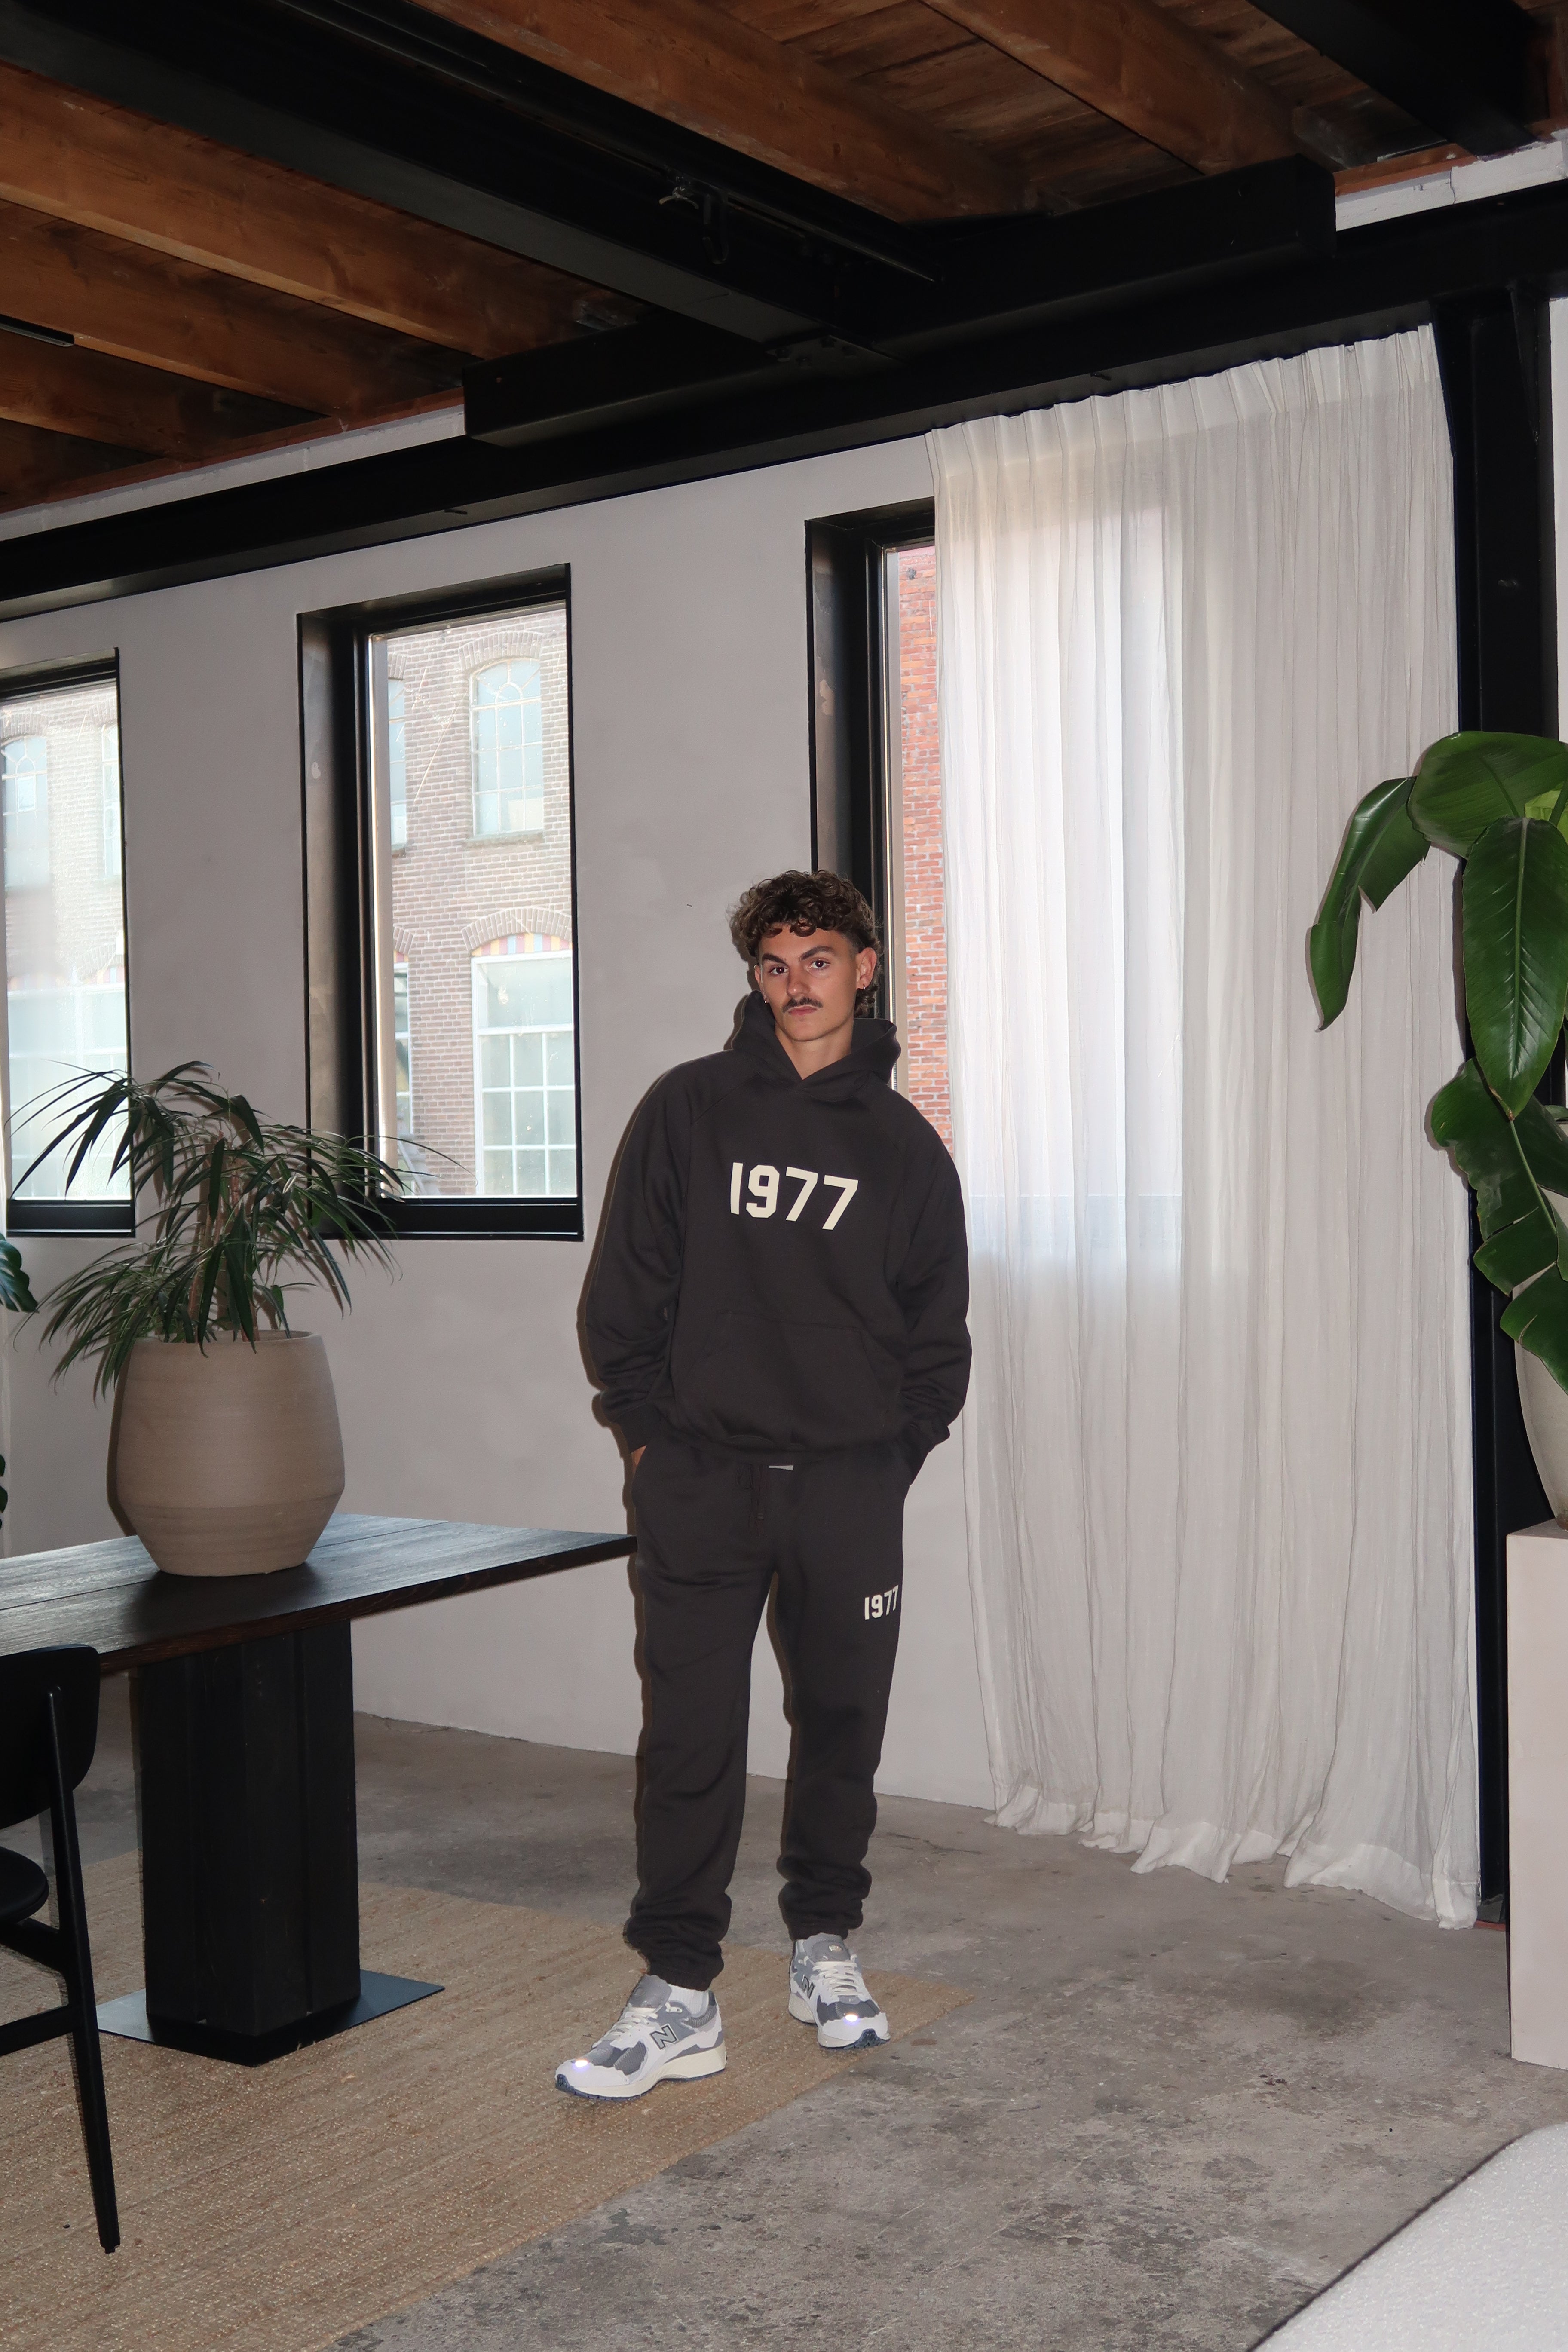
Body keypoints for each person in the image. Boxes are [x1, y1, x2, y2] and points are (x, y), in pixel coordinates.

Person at [557, 869, 970, 2101]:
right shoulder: (689, 1108)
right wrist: (647, 1441)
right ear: (756, 978)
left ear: (865, 969)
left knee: (842, 1725)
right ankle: (680, 1989)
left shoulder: (904, 1149)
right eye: (775, 965)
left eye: (819, 961)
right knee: (688, 1735)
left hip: (845, 1489)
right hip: (702, 1480)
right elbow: (623, 1291)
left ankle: (824, 1942)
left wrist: (887, 1460)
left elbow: (936, 1336)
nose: (797, 985)